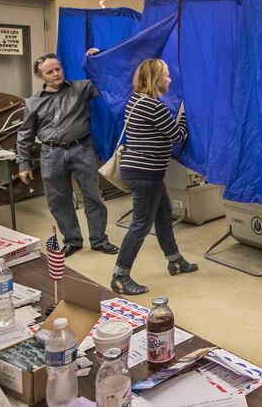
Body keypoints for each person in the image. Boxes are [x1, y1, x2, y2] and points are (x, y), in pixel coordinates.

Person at [16, 53, 119, 256]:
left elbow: (107, 82)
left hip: (81, 149)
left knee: (93, 196)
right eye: (49, 71)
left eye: (58, 68)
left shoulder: (81, 88)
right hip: (50, 154)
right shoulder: (33, 102)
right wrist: (23, 164)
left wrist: (95, 59)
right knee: (58, 200)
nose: (56, 74)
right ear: (40, 76)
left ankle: (99, 240)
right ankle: (72, 240)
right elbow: (25, 133)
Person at [111, 58, 197, 295]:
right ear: (156, 79)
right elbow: (177, 135)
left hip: (146, 173)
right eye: (167, 75)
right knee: (140, 224)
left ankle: (175, 259)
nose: (170, 79)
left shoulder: (135, 101)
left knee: (163, 216)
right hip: (144, 174)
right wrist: (188, 113)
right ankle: (120, 276)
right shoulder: (152, 106)